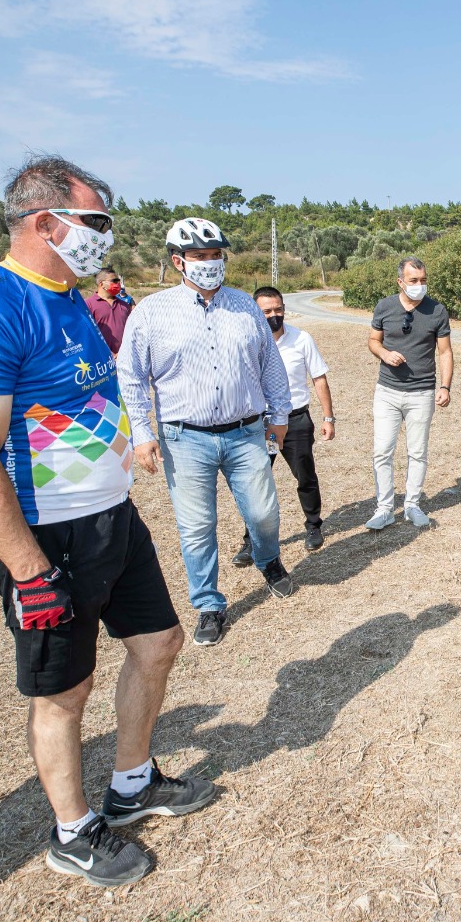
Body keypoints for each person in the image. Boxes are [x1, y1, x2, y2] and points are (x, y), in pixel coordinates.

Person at [0, 155, 213, 888]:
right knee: (65, 691)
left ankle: (132, 787)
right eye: (94, 221)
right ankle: (72, 830)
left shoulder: (67, 294)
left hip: (111, 519)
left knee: (158, 643)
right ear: (44, 222)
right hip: (47, 537)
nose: (104, 236)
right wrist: (29, 571)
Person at [117, 218, 295, 649]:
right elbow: (132, 376)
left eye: (215, 254)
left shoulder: (245, 306)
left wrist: (281, 413)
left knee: (263, 513)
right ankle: (209, 604)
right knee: (197, 527)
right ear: (178, 261)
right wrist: (141, 432)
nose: (210, 262)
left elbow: (269, 361)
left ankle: (268, 560)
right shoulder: (151, 312)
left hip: (245, 432)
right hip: (185, 438)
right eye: (200, 256)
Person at [229, 286, 336, 561]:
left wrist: (328, 418)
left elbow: (319, 378)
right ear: (254, 311)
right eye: (266, 311)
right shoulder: (243, 341)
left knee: (305, 476)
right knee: (254, 484)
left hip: (295, 421)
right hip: (258, 425)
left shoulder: (301, 339)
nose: (274, 315)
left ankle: (313, 526)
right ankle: (251, 541)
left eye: (278, 309)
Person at [367, 256, 452, 529]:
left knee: (417, 452)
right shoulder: (384, 307)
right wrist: (384, 353)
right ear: (400, 281)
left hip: (421, 393)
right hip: (387, 391)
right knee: (382, 451)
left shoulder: (437, 311)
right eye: (414, 280)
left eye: (423, 280)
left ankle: (412, 505)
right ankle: (385, 509)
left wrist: (445, 386)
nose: (419, 285)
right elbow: (373, 340)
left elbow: (445, 351)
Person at [84, 268, 132, 353]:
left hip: (124, 357)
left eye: (118, 281)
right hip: (101, 358)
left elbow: (131, 332)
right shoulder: (87, 305)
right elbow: (87, 334)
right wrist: (109, 354)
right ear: (101, 283)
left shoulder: (125, 305)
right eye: (114, 281)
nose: (118, 284)